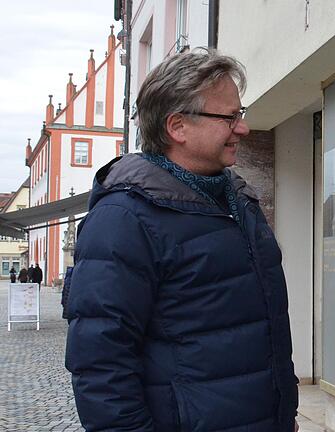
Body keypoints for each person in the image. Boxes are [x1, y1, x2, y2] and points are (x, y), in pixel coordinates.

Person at [65, 48, 299, 432]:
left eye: (240, 114)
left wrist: (283, 414)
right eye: (229, 117)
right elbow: (100, 365)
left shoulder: (238, 200)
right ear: (177, 127)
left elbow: (262, 330)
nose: (242, 128)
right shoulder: (124, 218)